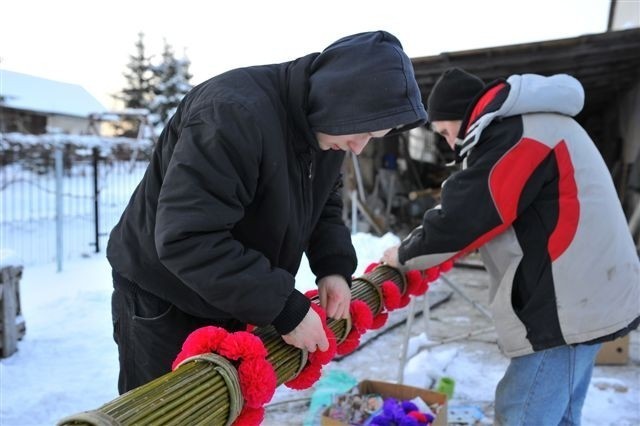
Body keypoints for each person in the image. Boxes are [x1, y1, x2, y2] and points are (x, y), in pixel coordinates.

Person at [107, 30, 427, 394]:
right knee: (166, 411)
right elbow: (188, 237)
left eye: (373, 137)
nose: (358, 148)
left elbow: (323, 199)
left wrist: (333, 266)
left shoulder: (329, 127)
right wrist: (284, 308)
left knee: (226, 403)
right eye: (362, 133)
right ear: (337, 98)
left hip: (230, 289)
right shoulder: (230, 114)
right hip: (167, 294)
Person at [382, 67, 640, 425]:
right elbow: (488, 196)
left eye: (445, 131)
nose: (449, 144)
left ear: (466, 115)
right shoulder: (530, 125)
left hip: (568, 301)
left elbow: (469, 214)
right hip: (590, 290)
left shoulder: (517, 134)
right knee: (560, 414)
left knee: (522, 411)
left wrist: (404, 255)